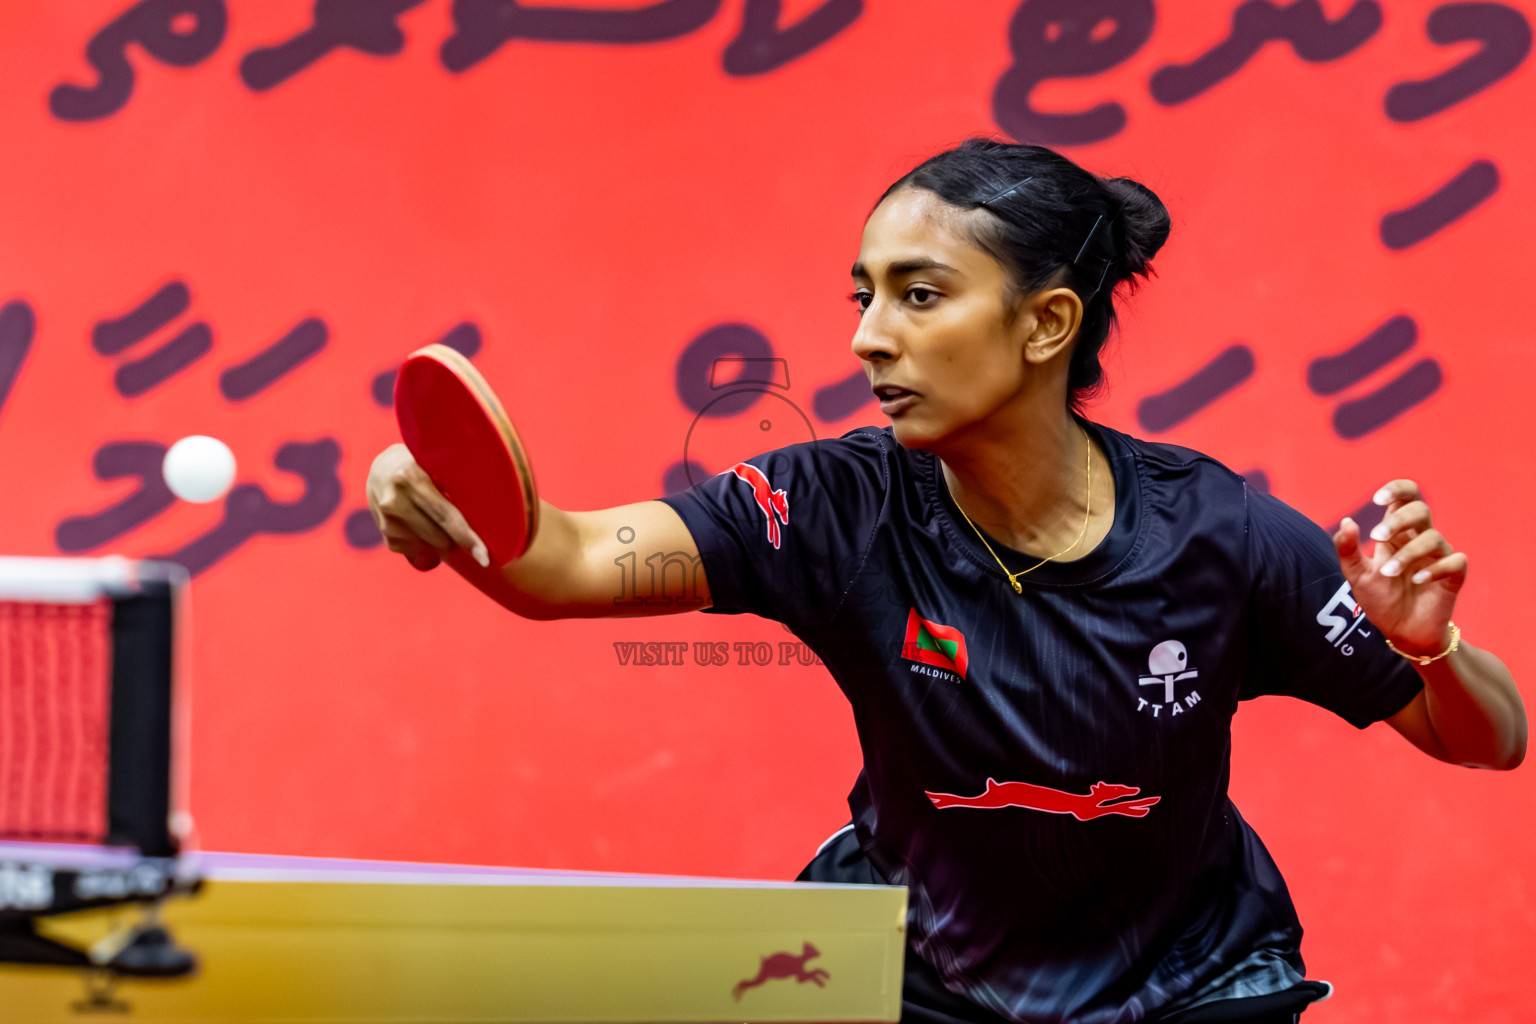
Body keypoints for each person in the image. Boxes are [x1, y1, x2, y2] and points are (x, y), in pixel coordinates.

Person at [365, 139, 1526, 1024]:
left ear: (1046, 324)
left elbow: (1491, 737)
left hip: (1186, 982)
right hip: (919, 973)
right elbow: (558, 562)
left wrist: (1428, 645)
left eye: (919, 295)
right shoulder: (829, 507)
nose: (870, 336)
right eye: (862, 295)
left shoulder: (1218, 533)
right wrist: (453, 514)